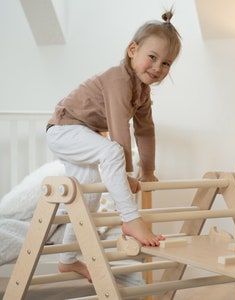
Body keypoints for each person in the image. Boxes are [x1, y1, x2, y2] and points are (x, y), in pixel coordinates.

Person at [46, 10, 181, 282]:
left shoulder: (142, 93)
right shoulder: (118, 79)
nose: (157, 68)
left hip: (84, 132)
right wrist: (128, 173)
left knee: (86, 197)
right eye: (152, 58)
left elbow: (145, 130)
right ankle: (130, 218)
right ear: (133, 50)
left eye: (166, 63)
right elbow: (120, 127)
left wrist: (147, 171)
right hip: (64, 129)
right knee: (111, 150)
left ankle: (67, 260)